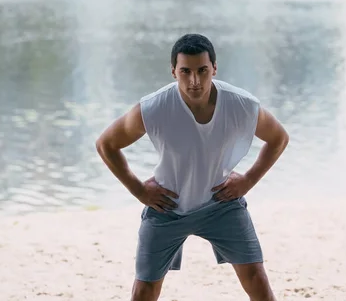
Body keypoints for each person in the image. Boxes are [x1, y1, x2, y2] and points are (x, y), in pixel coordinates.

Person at [95, 33, 289, 301]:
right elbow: (106, 144)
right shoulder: (154, 108)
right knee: (145, 289)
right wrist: (139, 190)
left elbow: (279, 138)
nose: (194, 81)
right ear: (174, 71)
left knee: (256, 277)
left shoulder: (241, 105)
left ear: (214, 69)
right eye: (185, 71)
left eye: (202, 71)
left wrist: (248, 181)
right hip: (167, 208)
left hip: (220, 204)